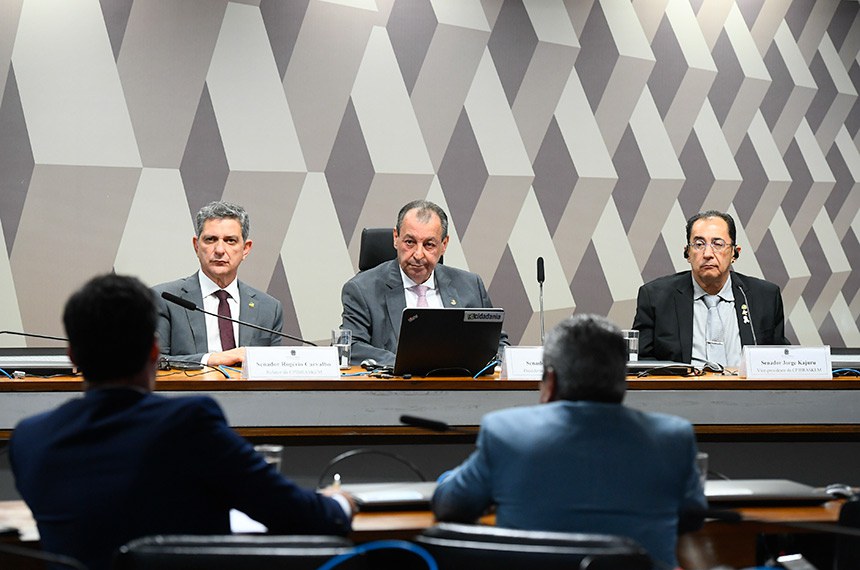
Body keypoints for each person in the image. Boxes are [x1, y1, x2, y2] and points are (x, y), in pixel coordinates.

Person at [9, 274, 353, 570]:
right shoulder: (188, 423)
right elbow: (296, 513)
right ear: (155, 352)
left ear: (73, 356)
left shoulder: (29, 439)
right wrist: (340, 503)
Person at [431, 314, 706, 569]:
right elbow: (692, 515)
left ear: (550, 380)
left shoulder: (505, 431)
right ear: (622, 380)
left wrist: (454, 479)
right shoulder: (674, 437)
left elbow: (450, 506)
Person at [340, 200, 508, 365]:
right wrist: (407, 363)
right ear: (396, 238)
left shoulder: (470, 286)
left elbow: (497, 344)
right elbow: (351, 347)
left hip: (459, 387)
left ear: (444, 245)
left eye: (429, 244)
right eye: (410, 242)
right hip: (395, 389)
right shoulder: (362, 289)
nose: (418, 254)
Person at [633, 210, 789, 368]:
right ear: (687, 253)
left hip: (746, 391)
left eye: (718, 244)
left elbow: (780, 360)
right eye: (699, 244)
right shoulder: (656, 297)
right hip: (682, 391)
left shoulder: (765, 296)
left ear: (735, 253)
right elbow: (640, 361)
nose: (708, 254)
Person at [153, 201, 283, 366]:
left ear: (246, 249)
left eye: (230, 241)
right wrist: (211, 359)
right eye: (210, 239)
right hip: (190, 391)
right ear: (196, 246)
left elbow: (274, 369)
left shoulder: (269, 309)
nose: (220, 250)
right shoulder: (165, 299)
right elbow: (153, 362)